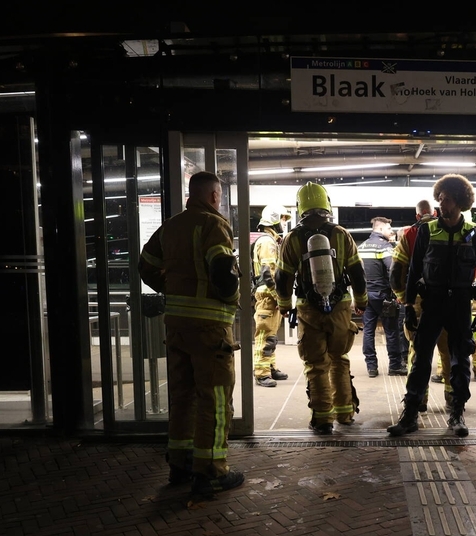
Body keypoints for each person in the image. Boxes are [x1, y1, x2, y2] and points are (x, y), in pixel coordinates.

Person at [138, 171, 244, 497]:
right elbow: (223, 271)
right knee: (215, 399)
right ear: (214, 196)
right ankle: (211, 471)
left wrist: (170, 289)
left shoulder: (171, 225)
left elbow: (145, 265)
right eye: (220, 197)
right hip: (209, 328)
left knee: (182, 396)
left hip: (177, 326)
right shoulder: (214, 224)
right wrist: (230, 299)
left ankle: (180, 465)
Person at [388, 174, 476, 438]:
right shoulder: (427, 230)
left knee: (460, 360)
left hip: (459, 303)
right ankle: (410, 414)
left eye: (445, 199)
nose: (440, 204)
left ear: (458, 201)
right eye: (439, 199)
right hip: (432, 302)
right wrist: (409, 305)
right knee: (421, 358)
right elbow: (413, 271)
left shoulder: (475, 233)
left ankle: (457, 414)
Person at [275, 182, 368, 435]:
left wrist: (284, 305)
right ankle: (346, 413)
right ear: (325, 204)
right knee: (340, 359)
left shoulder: (293, 238)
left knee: (316, 364)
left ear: (300, 206)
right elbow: (357, 272)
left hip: (308, 309)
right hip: (340, 308)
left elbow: (282, 276)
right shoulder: (341, 234)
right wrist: (361, 300)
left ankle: (322, 419)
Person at [390, 200, 451, 412]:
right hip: (448, 300)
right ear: (433, 212)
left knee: (418, 352)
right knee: (449, 351)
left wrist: (403, 299)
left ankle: (418, 399)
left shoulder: (409, 234)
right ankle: (453, 400)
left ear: (417, 216)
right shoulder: (448, 229)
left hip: (418, 300)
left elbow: (396, 272)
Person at [358, 217, 405, 377]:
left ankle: (371, 367)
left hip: (366, 295)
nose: (391, 232)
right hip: (383, 296)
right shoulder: (384, 247)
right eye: (389, 229)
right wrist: (398, 291)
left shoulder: (362, 247)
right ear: (380, 229)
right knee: (391, 331)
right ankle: (395, 366)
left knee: (368, 331)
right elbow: (393, 270)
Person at [251, 204, 292, 388]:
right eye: (282, 219)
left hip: (270, 296)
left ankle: (270, 367)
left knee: (271, 335)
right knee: (265, 336)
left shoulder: (269, 240)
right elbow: (269, 273)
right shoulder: (267, 242)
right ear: (274, 220)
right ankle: (261, 373)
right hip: (268, 296)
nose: (284, 223)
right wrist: (279, 296)